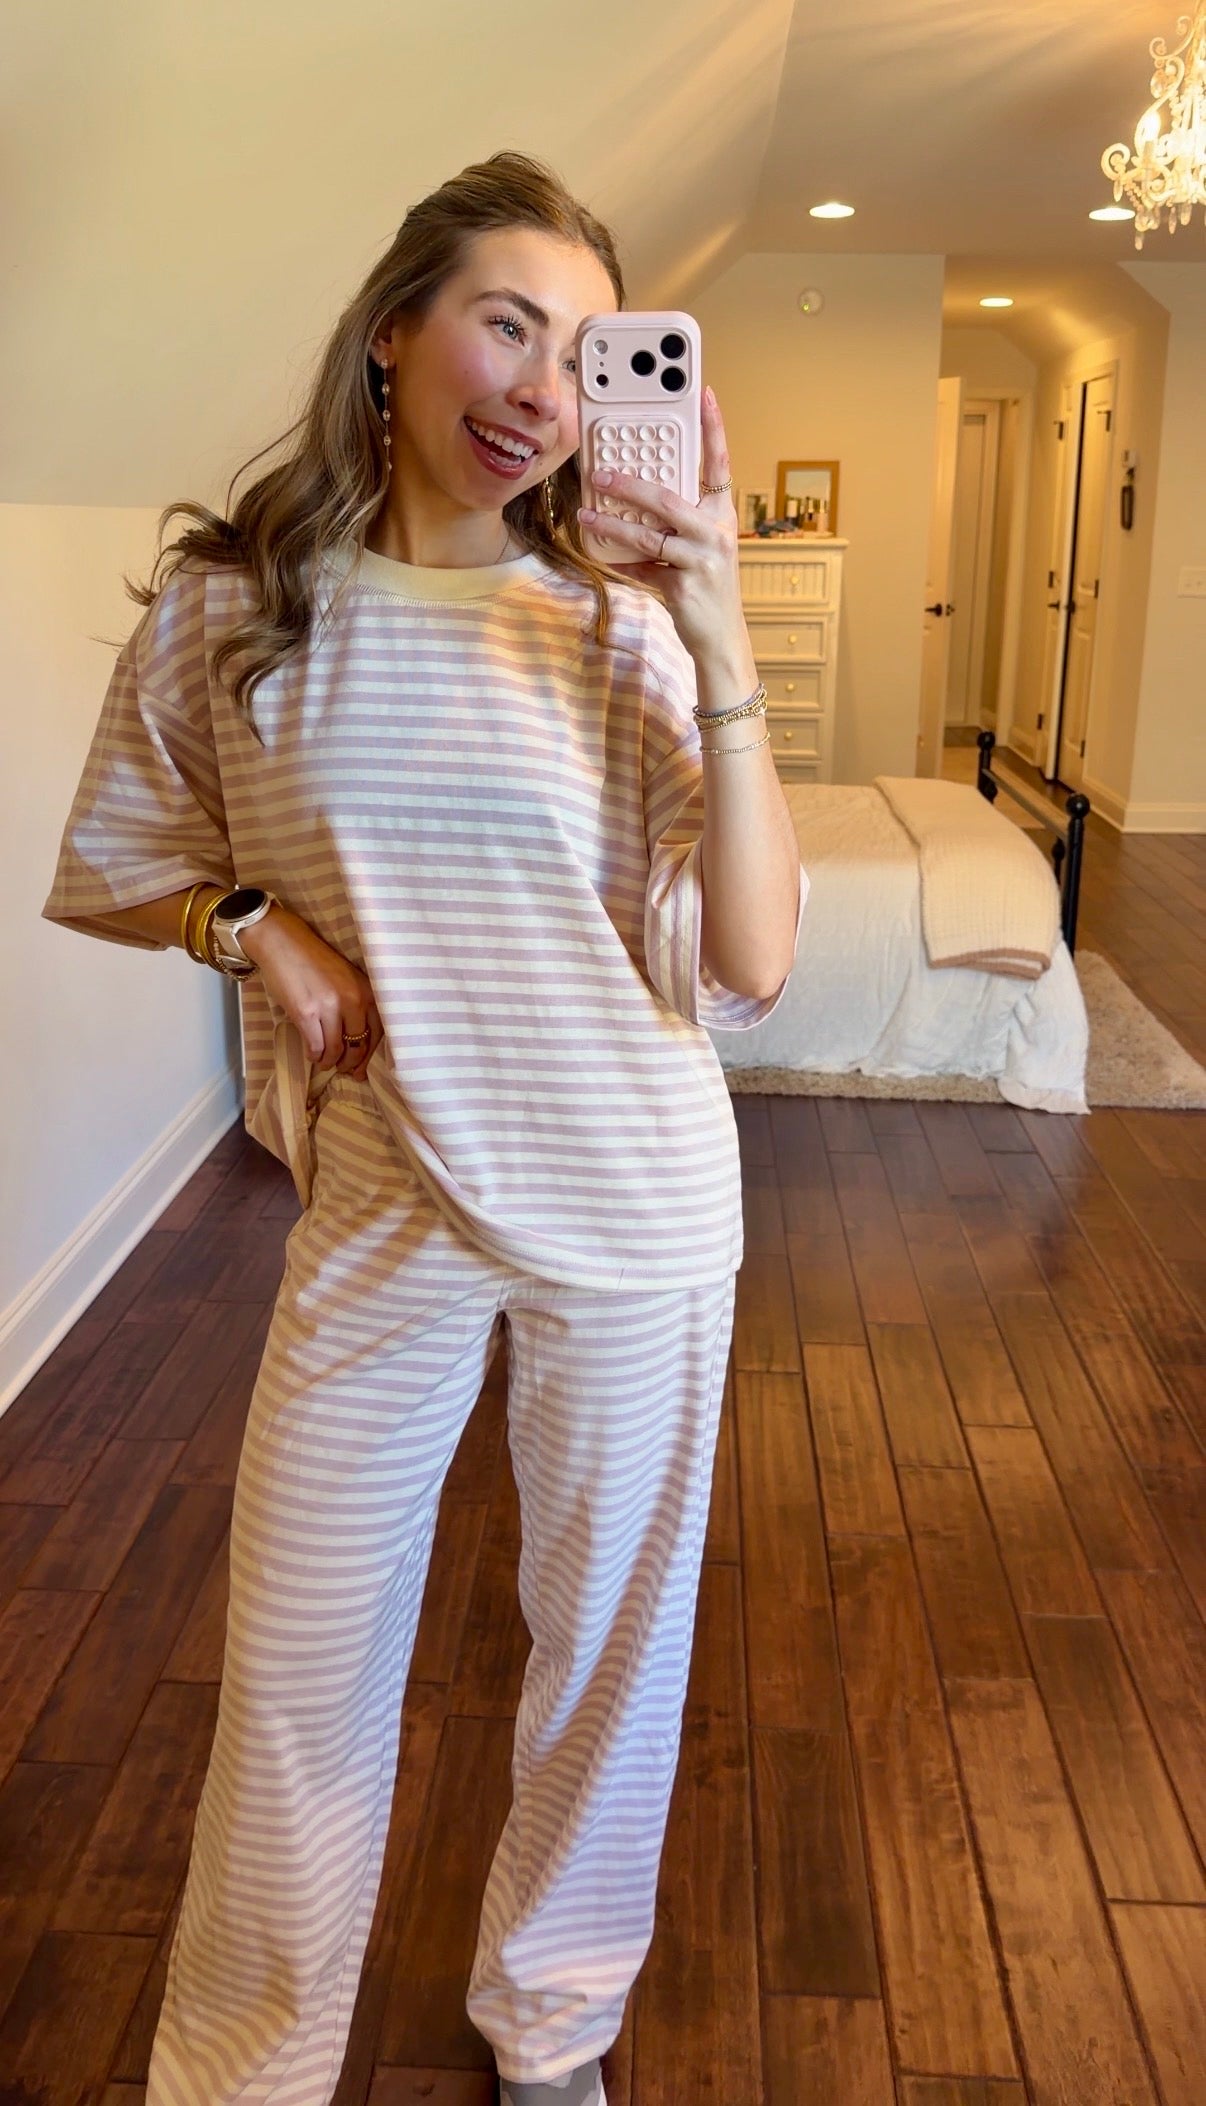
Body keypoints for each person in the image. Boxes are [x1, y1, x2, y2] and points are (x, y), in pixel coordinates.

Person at [44, 149, 804, 2106]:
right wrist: (250, 922)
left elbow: (752, 957)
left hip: (636, 1202)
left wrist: (720, 639)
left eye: (586, 351)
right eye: (505, 324)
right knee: (296, 1673)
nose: (544, 388)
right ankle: (242, 2072)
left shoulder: (619, 627)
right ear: (393, 332)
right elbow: (128, 859)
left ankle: (553, 2027)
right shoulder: (235, 612)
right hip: (384, 1200)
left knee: (606, 1665)